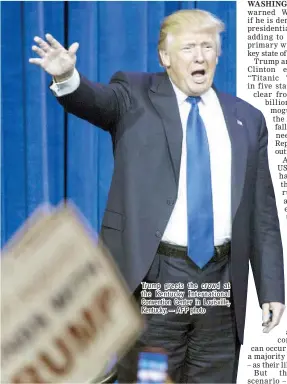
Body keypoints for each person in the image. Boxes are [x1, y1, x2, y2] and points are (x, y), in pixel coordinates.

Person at [29, 9, 285, 383]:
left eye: (208, 47)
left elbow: (263, 212)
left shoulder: (247, 118)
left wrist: (272, 289)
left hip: (220, 284)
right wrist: (68, 76)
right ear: (165, 57)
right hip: (156, 277)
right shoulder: (133, 95)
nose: (200, 56)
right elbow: (93, 100)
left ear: (218, 55)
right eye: (189, 48)